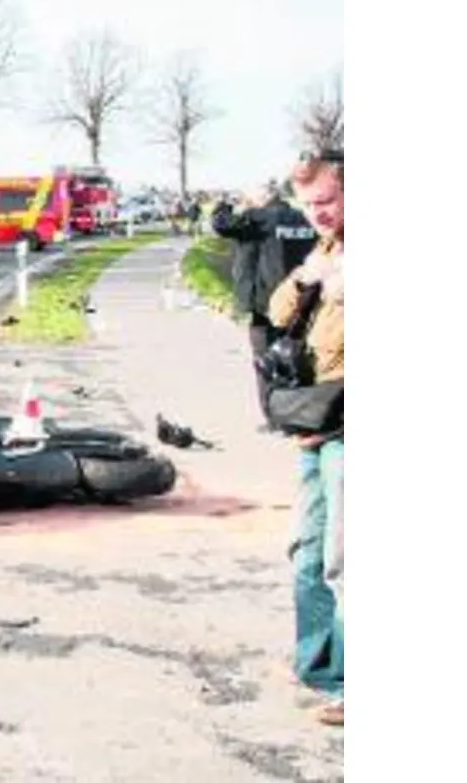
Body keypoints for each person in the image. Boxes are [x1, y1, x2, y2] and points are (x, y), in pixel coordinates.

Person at [266, 147, 344, 727]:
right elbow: (277, 310)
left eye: (329, 200)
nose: (319, 212)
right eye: (310, 204)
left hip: (348, 425)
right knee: (309, 553)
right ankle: (319, 665)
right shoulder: (326, 251)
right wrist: (306, 276)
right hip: (318, 424)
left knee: (348, 560)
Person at [211, 178, 318, 430]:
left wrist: (224, 204)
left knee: (266, 361)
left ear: (259, 199)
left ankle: (274, 418)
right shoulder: (303, 218)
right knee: (297, 359)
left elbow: (221, 224)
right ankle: (301, 415)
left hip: (263, 304)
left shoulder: (258, 218)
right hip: (301, 301)